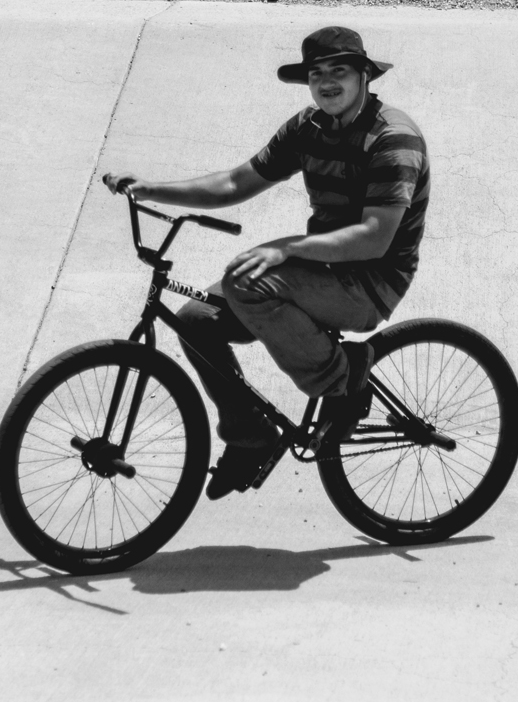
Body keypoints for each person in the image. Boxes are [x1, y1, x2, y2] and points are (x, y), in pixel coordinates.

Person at [102, 26, 430, 500]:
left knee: (246, 281)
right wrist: (151, 189)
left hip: (370, 282)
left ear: (364, 76)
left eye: (339, 71)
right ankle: (250, 437)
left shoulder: (393, 138)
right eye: (316, 74)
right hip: (322, 271)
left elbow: (375, 238)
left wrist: (287, 248)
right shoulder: (308, 127)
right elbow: (236, 183)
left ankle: (345, 382)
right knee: (195, 319)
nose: (326, 82)